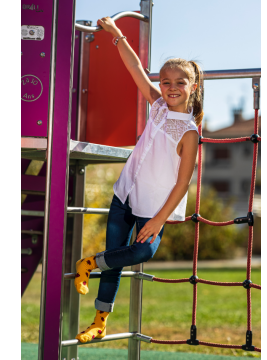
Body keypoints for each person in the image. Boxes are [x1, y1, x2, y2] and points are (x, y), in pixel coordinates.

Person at [74, 16, 204, 343]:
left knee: (142, 252)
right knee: (116, 256)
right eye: (165, 81)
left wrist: (159, 219)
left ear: (193, 86)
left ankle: (90, 262)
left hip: (154, 207)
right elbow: (134, 68)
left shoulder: (189, 132)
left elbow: (182, 182)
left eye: (179, 82)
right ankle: (100, 320)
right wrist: (117, 34)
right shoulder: (158, 106)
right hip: (126, 193)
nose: (171, 88)